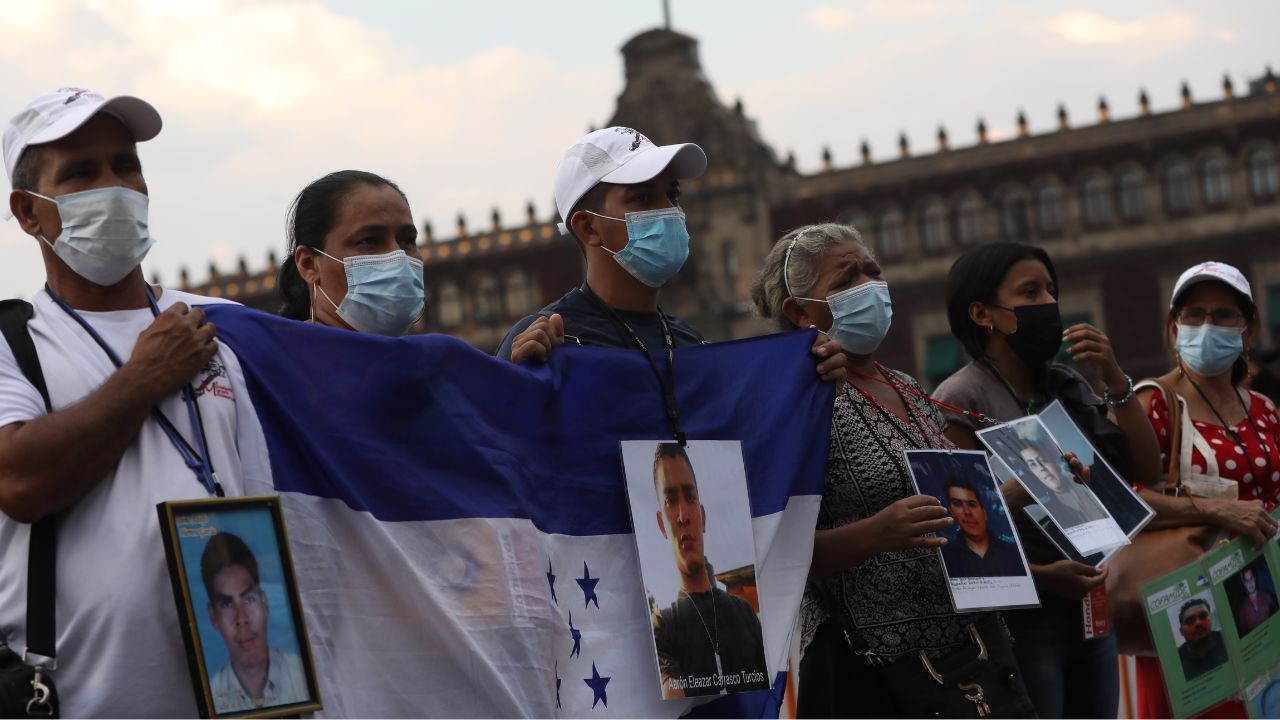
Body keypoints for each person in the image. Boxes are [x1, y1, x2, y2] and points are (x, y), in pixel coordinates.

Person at [0, 87, 269, 716]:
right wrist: (146, 375)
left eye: (126, 164)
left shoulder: (219, 334)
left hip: (247, 699)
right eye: (81, 173)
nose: (114, 185)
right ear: (28, 213)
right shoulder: (15, 344)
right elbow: (19, 478)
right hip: (81, 702)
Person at [751, 224, 1031, 718]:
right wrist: (878, 533)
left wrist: (1017, 492)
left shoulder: (903, 385)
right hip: (876, 675)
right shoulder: (793, 405)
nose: (869, 286)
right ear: (800, 311)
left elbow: (949, 515)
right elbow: (773, 554)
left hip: (976, 657)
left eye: (872, 272)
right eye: (845, 281)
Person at [934, 241, 1161, 718]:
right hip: (1025, 622)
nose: (1048, 305)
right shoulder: (959, 402)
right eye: (1030, 292)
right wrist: (1041, 579)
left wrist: (1115, 380)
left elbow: (1147, 471)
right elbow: (962, 538)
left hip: (1090, 608)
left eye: (1051, 291)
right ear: (982, 313)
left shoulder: (1067, 385)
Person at [496, 127, 845, 387]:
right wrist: (518, 383)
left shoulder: (688, 342)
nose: (670, 212)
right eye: (643, 198)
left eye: (672, 195)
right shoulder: (547, 341)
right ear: (588, 227)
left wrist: (809, 375)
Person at [1133, 260, 1280, 717]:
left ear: (1248, 330)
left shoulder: (1264, 408)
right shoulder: (1154, 401)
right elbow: (1125, 498)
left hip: (1264, 600)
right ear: (1174, 327)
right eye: (1193, 314)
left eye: (1223, 315)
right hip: (1191, 603)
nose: (1207, 325)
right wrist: (1219, 511)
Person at [649, 443, 768, 698]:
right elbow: (673, 702)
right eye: (670, 500)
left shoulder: (745, 614)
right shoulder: (662, 627)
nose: (683, 515)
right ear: (661, 525)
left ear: (702, 516)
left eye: (689, 497)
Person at [277, 170, 425, 336]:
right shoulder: (276, 359)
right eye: (369, 241)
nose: (399, 257)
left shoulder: (442, 358)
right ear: (308, 264)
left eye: (408, 241)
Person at [201, 531, 309, 712]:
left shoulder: (305, 678)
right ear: (213, 617)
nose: (241, 618)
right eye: (227, 604)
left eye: (249, 599)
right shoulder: (210, 699)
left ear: (265, 604)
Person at [940, 473, 1024, 577]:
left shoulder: (1013, 552)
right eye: (957, 504)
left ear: (984, 512)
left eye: (972, 504)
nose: (967, 512)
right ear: (952, 512)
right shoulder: (946, 557)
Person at [1016, 438, 1108, 527]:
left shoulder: (1091, 484)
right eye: (1032, 464)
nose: (1041, 468)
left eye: (1042, 460)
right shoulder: (1046, 516)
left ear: (1053, 460)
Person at [1175, 599, 1229, 681]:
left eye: (1203, 616)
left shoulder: (1227, 639)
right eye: (1190, 620)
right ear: (1181, 631)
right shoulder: (1177, 659)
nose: (1198, 623)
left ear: (1210, 619)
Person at [1235, 565, 1278, 636]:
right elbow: (1243, 634)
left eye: (1251, 578)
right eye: (1247, 580)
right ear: (1245, 584)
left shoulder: (1267, 596)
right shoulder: (1242, 609)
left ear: (1255, 579)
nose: (1250, 583)